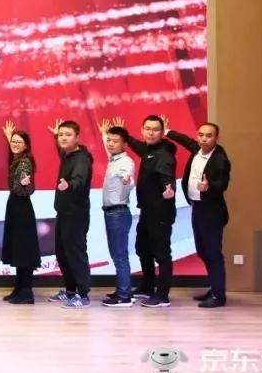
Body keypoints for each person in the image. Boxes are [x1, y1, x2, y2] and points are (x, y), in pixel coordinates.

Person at [166, 120, 232, 308]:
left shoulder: (220, 159)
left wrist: (209, 186)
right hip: (197, 207)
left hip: (212, 212)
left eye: (209, 136)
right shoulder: (196, 149)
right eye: (201, 135)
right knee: (202, 250)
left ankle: (219, 296)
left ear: (217, 138)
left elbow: (223, 184)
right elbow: (185, 140)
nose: (204, 139)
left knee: (213, 253)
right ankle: (214, 287)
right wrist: (168, 131)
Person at [122, 115, 178, 308]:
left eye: (155, 130)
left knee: (161, 253)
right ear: (142, 130)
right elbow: (137, 145)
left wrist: (169, 188)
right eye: (147, 129)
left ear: (162, 133)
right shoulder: (149, 151)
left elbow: (167, 175)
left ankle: (162, 295)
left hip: (160, 211)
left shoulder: (164, 154)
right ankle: (147, 286)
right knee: (143, 248)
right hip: (147, 210)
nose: (151, 133)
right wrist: (124, 134)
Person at [47, 120, 94, 309]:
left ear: (77, 138)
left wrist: (69, 184)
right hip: (64, 212)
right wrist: (55, 136)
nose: (63, 138)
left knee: (76, 253)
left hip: (76, 214)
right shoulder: (68, 155)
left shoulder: (81, 159)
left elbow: (79, 180)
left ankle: (83, 295)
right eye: (61, 135)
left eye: (68, 135)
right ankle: (70, 291)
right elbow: (60, 148)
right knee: (63, 253)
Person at [97, 119, 137, 308]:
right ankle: (123, 290)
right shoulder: (114, 159)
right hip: (113, 213)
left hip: (118, 213)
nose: (110, 144)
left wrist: (127, 181)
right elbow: (109, 151)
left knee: (119, 255)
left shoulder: (125, 163)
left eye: (115, 141)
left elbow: (128, 178)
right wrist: (103, 134)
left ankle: (124, 296)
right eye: (109, 140)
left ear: (125, 144)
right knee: (117, 254)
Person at [0, 121, 41, 304]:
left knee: (23, 250)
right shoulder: (18, 159)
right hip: (16, 207)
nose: (15, 144)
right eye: (13, 142)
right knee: (18, 249)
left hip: (21, 209)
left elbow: (27, 189)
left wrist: (23, 185)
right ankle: (19, 289)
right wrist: (10, 137)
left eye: (19, 142)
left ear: (26, 146)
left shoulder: (24, 162)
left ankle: (26, 292)